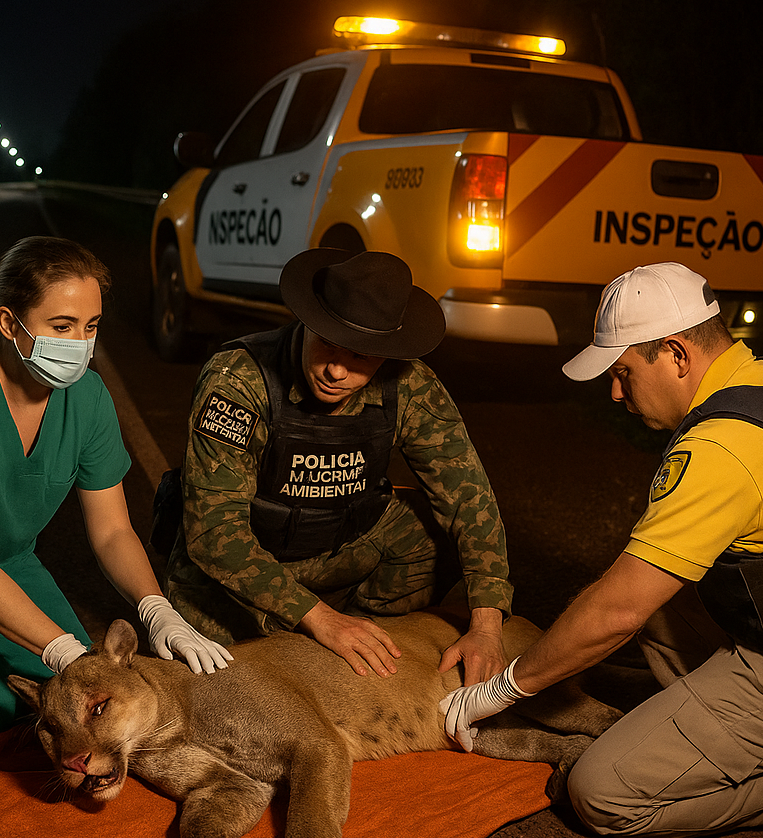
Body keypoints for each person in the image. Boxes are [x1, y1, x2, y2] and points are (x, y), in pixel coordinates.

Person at [441, 262, 763, 838]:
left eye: (624, 371)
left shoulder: (723, 446)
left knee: (601, 792)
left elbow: (615, 614)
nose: (615, 392)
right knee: (658, 595)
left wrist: (502, 690)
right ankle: (703, 728)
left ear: (678, 354)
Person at [0, 236, 232, 748]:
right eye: (62, 327)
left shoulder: (87, 397)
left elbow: (111, 531)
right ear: (8, 324)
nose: (80, 344)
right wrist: (60, 649)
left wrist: (157, 609)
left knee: (69, 695)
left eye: (91, 327)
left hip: (9, 565)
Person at [165, 248, 512, 682]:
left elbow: (469, 498)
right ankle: (324, 631)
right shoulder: (239, 379)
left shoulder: (410, 384)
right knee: (227, 683)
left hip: (339, 550)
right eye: (328, 342)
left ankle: (364, 638)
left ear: (387, 354)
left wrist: (486, 625)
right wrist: (320, 620)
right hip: (241, 571)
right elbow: (213, 534)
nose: (335, 370)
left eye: (361, 357)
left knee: (423, 531)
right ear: (309, 323)